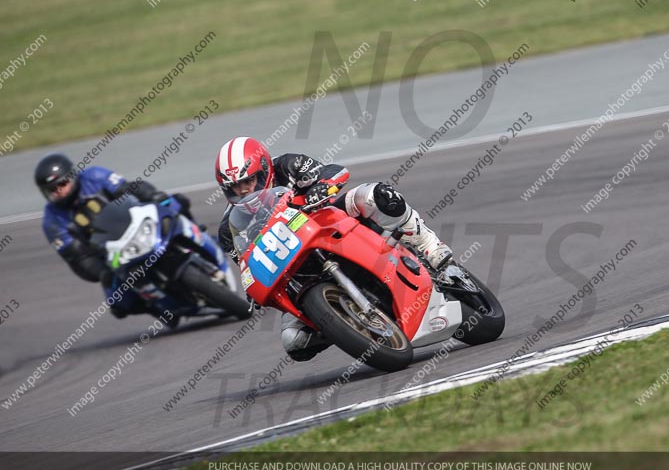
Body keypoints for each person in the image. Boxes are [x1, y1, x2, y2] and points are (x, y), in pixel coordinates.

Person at [214, 136, 454, 361]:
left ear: (264, 170)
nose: (243, 190)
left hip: (329, 223)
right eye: (235, 186)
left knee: (375, 195)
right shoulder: (229, 228)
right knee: (293, 342)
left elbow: (334, 170)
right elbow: (246, 264)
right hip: (297, 269)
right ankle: (339, 323)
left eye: (247, 181)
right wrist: (253, 287)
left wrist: (323, 185)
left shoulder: (287, 165)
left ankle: (430, 247)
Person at [35, 153, 192, 323]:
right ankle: (158, 307)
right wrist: (102, 272)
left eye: (62, 184)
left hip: (135, 223)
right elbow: (77, 256)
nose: (58, 191)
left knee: (175, 202)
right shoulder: (52, 221)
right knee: (118, 302)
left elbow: (128, 188)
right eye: (51, 189)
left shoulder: (94, 176)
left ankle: (196, 236)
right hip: (108, 254)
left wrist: (151, 194)